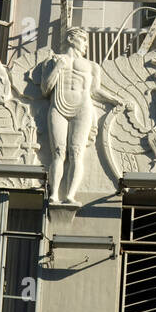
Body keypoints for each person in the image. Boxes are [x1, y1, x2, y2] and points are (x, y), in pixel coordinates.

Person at [41, 27, 100, 204]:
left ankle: (70, 195)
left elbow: (95, 92)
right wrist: (58, 67)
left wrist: (116, 101)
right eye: (83, 40)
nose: (86, 46)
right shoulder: (53, 61)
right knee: (58, 152)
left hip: (83, 108)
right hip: (58, 106)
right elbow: (45, 89)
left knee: (76, 151)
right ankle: (54, 194)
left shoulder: (92, 66)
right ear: (71, 39)